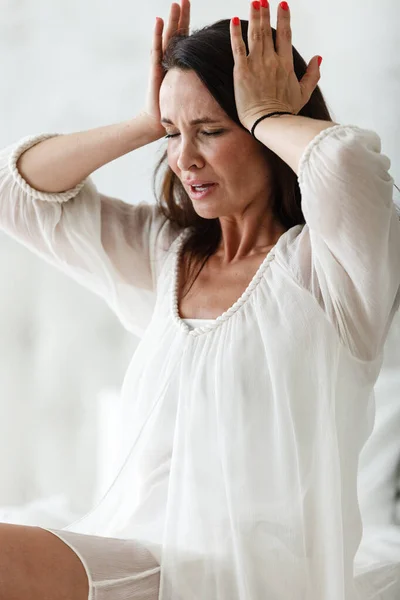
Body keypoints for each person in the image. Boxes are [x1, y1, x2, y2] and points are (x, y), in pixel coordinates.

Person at [0, 1, 399, 598]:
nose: (184, 159)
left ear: (269, 133)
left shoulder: (332, 268)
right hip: (142, 551)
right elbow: (18, 195)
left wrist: (264, 112)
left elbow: (346, 164)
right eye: (172, 137)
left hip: (253, 576)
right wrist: (147, 118)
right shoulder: (166, 253)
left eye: (212, 131)